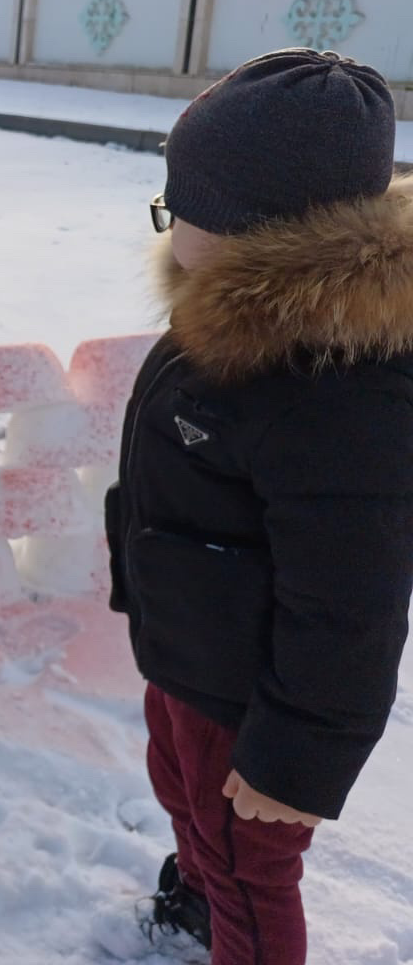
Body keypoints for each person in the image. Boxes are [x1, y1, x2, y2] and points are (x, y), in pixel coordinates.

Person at [108, 48, 413, 964]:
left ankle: (232, 922)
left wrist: (296, 763)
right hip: (191, 655)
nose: (168, 226)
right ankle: (200, 897)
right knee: (185, 797)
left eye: (179, 208)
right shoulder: (227, 317)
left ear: (255, 227)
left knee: (250, 867)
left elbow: (352, 605)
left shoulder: (339, 392)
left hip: (255, 700)